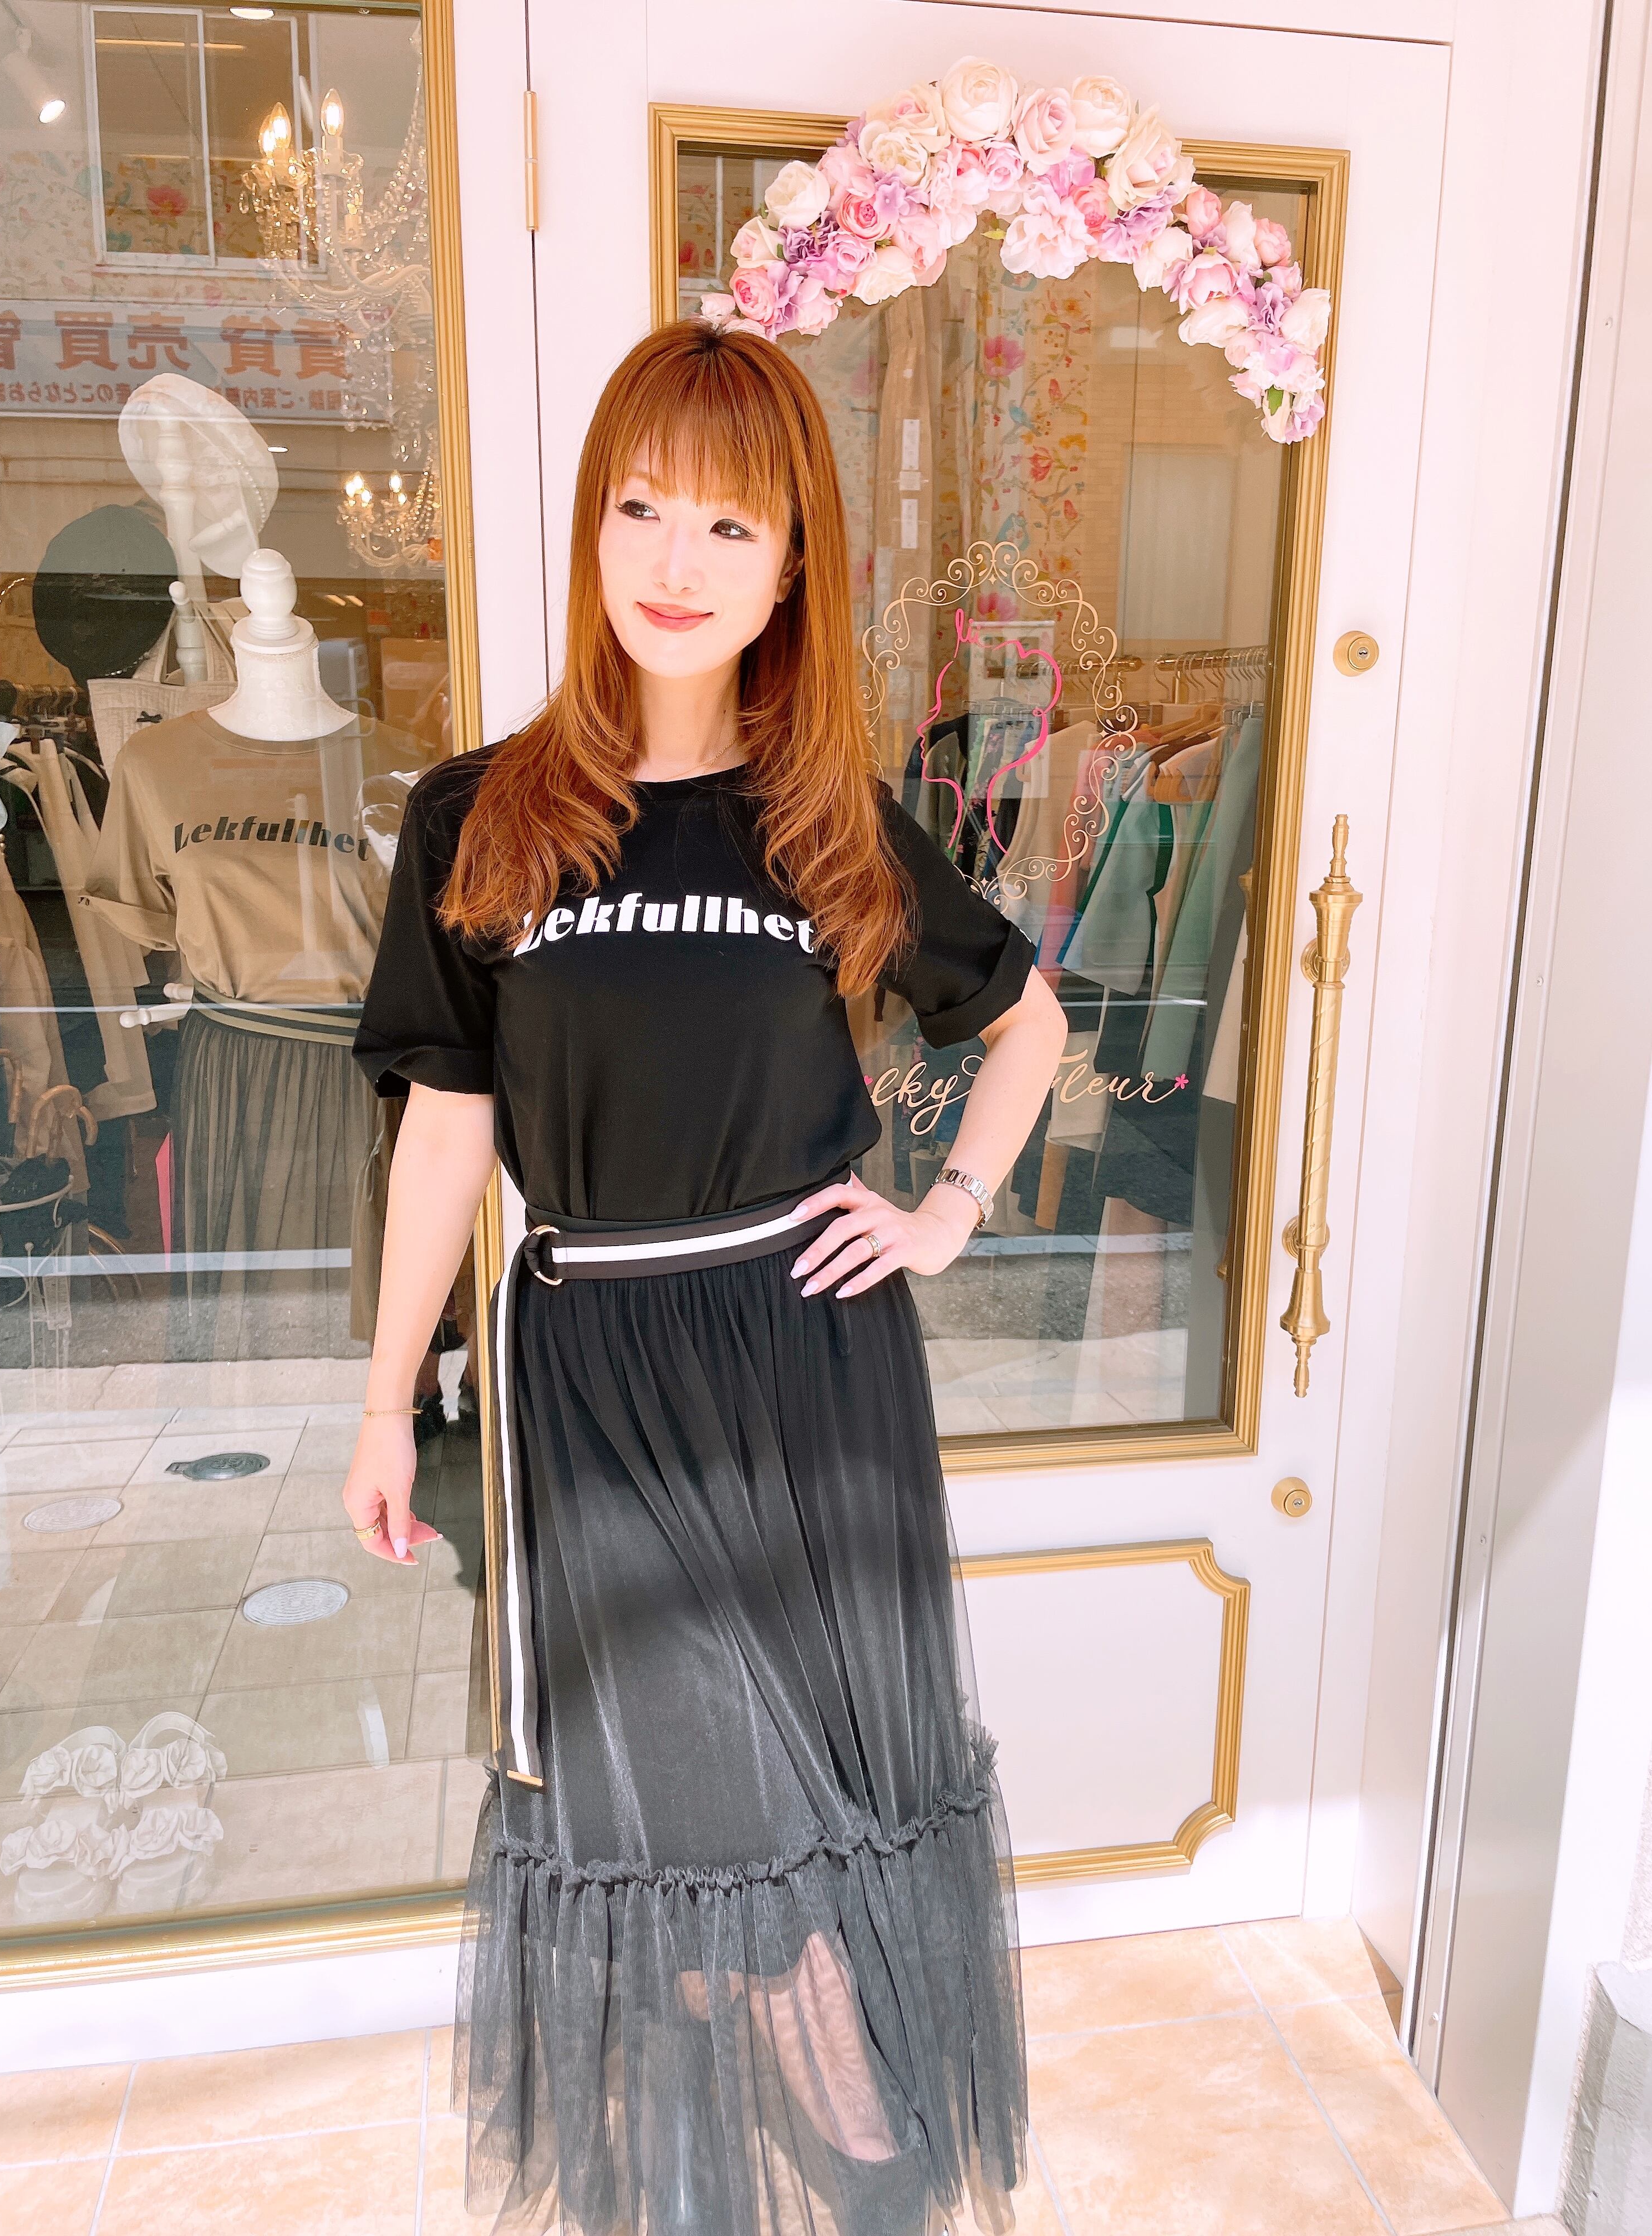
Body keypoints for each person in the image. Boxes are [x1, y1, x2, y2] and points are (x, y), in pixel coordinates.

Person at [345, 321, 1068, 2236]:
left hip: (806, 1358)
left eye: (730, 527)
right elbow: (445, 1135)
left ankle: (859, 2161)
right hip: (590, 1365)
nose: (676, 561)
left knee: (801, 1802)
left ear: (790, 565)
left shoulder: (827, 821)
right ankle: (712, 2167)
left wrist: (948, 1210)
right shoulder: (479, 817)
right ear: (593, 524)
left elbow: (1027, 1023)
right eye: (643, 508)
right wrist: (385, 1401)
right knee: (670, 1794)